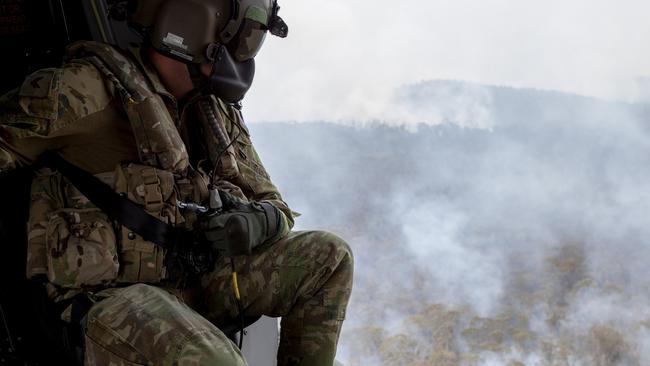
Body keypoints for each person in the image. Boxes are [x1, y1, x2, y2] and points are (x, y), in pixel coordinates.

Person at [0, 1, 353, 365]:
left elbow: (275, 206)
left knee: (330, 257)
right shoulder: (81, 91)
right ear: (195, 25)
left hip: (197, 280)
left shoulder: (211, 111)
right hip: (112, 298)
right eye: (239, 36)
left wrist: (258, 222)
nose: (243, 54)